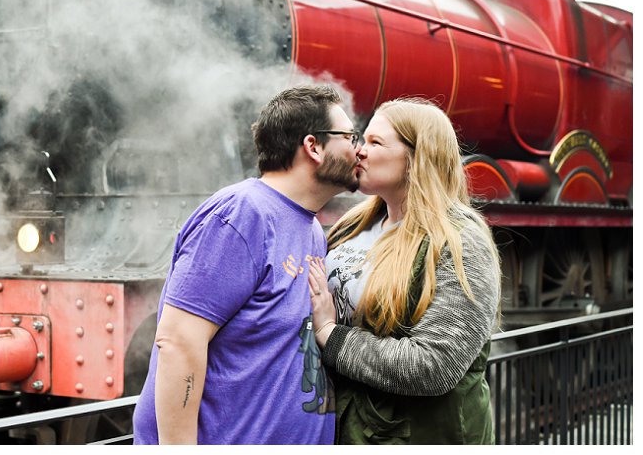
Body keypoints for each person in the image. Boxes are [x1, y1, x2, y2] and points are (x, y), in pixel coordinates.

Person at [133, 84, 359, 444]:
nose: (358, 148)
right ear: (313, 146)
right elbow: (178, 342)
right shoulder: (241, 214)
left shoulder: (311, 227)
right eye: (349, 136)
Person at [303, 98, 499, 444]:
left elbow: (435, 365)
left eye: (376, 142)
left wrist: (331, 335)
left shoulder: (460, 240)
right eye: (362, 140)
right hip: (352, 429)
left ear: (416, 158)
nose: (359, 151)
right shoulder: (353, 225)